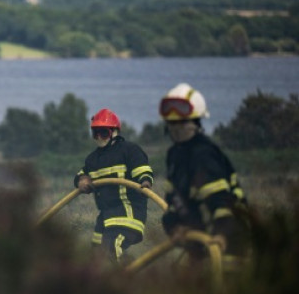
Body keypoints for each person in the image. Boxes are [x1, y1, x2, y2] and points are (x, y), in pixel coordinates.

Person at [159, 83, 249, 260]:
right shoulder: (174, 156)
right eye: (172, 122)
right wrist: (176, 227)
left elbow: (222, 203)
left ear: (196, 121)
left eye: (182, 122)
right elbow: (174, 201)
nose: (176, 128)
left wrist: (222, 235)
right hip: (200, 246)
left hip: (228, 246)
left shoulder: (204, 154)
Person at [74, 108, 154, 264]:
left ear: (115, 131)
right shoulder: (93, 159)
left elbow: (143, 170)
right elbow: (81, 174)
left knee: (112, 247)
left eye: (103, 132)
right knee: (96, 257)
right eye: (95, 133)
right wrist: (81, 180)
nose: (99, 137)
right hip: (105, 219)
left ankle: (126, 282)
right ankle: (106, 284)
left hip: (128, 213)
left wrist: (145, 182)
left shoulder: (129, 150)